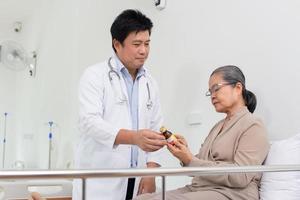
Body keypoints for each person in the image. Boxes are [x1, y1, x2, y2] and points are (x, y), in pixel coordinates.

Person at [134, 65, 270, 200]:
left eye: (216, 88)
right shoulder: (218, 127)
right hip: (201, 189)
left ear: (238, 88)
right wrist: (184, 154)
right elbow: (200, 164)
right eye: (210, 92)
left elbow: (241, 177)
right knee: (142, 198)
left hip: (231, 193)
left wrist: (191, 160)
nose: (213, 96)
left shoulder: (253, 125)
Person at [72, 9, 167, 200]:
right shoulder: (95, 75)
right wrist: (133, 137)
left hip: (137, 178)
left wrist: (151, 172)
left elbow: (157, 128)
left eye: (147, 44)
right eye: (137, 44)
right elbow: (89, 122)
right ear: (117, 44)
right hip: (101, 180)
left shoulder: (150, 82)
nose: (144, 50)